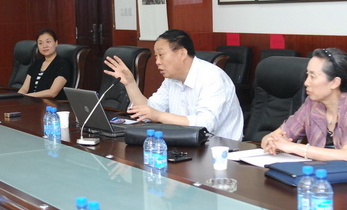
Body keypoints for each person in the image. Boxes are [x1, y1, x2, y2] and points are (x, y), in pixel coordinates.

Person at [261, 48, 347, 173]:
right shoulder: (312, 103)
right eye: (307, 75)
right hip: (324, 175)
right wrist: (271, 141)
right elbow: (275, 136)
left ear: (334, 82)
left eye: (312, 76)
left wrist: (294, 147)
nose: (306, 82)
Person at [103, 29, 244, 140]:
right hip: (185, 144)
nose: (157, 62)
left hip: (220, 151)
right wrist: (130, 83)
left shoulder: (212, 77)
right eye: (156, 56)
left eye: (161, 55)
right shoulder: (171, 79)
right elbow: (149, 111)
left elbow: (205, 124)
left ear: (182, 53)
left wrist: (158, 116)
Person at [18, 29, 71, 99]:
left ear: (56, 43)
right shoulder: (36, 64)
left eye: (48, 42)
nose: (44, 46)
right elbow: (24, 88)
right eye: (40, 43)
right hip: (31, 102)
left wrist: (28, 96)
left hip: (50, 104)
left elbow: (52, 93)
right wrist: (18, 97)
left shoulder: (62, 65)